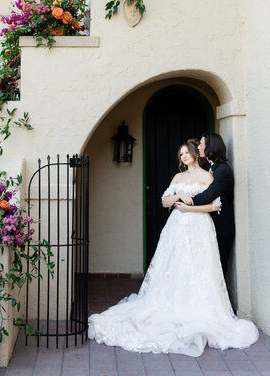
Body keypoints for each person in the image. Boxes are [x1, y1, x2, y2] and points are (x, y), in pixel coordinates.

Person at [88, 141, 258, 356]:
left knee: (199, 267)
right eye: (181, 154)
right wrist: (178, 196)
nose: (184, 156)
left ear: (196, 153)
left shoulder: (208, 176)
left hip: (199, 227)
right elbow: (165, 201)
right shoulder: (178, 178)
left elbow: (216, 205)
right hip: (176, 228)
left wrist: (189, 208)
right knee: (174, 265)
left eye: (187, 152)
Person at [186, 133, 235, 278]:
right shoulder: (207, 166)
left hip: (222, 228)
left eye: (201, 144)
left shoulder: (223, 170)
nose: (198, 147)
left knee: (218, 268)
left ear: (211, 147)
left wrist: (185, 201)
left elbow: (208, 195)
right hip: (206, 226)